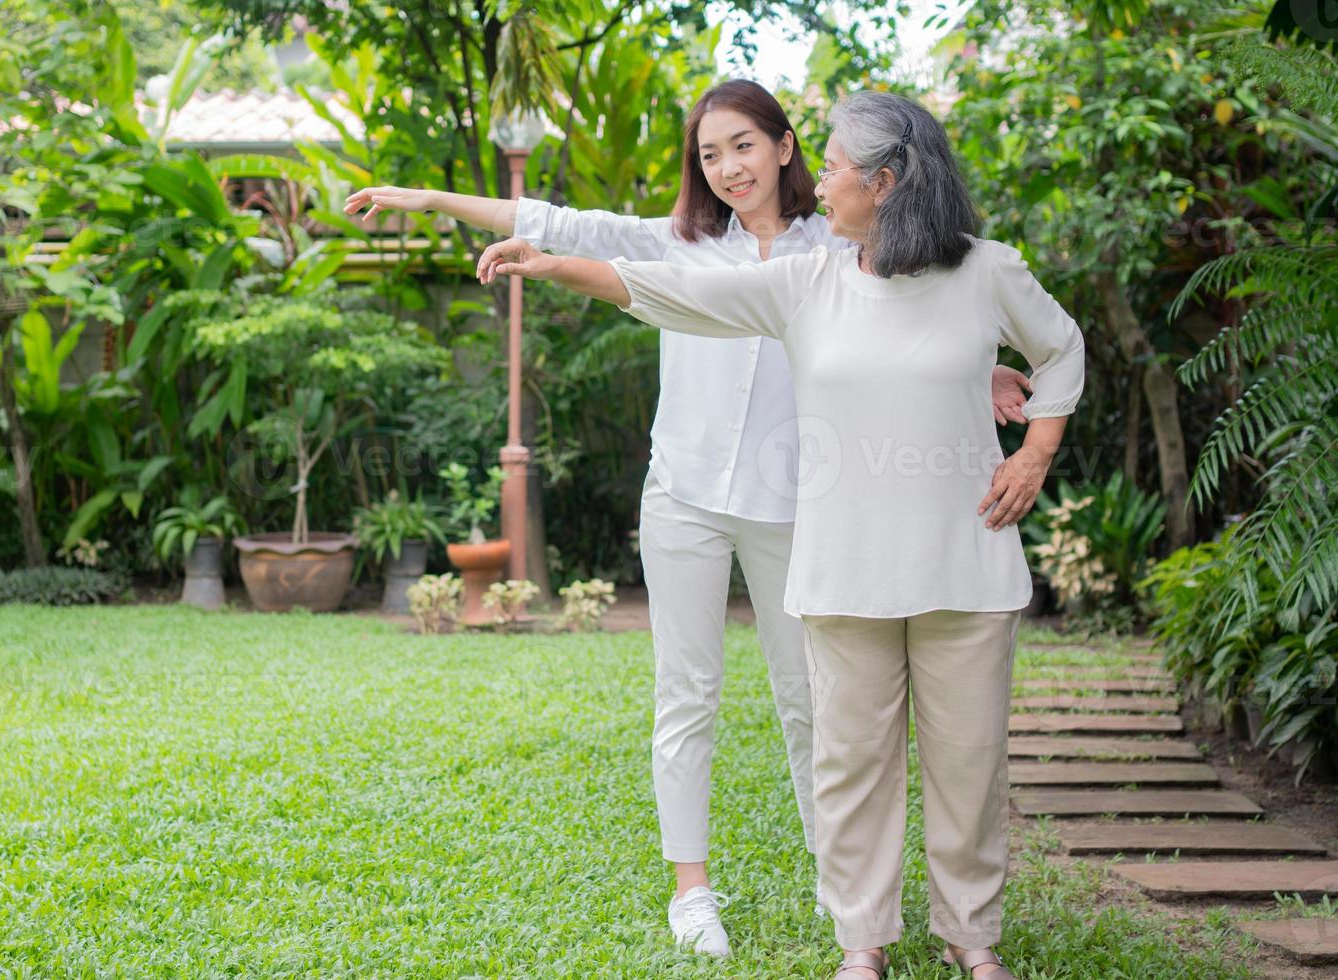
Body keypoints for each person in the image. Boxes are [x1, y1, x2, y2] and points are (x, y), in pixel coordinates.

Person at [347, 81, 1034, 962]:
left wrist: (979, 376)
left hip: (799, 506)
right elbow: (556, 220)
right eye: (709, 155)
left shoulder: (844, 238)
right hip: (684, 495)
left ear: (787, 148)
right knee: (687, 694)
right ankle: (692, 890)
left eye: (742, 145)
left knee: (815, 708)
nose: (727, 168)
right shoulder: (681, 241)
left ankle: (853, 907)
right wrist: (430, 199)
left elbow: (912, 323)